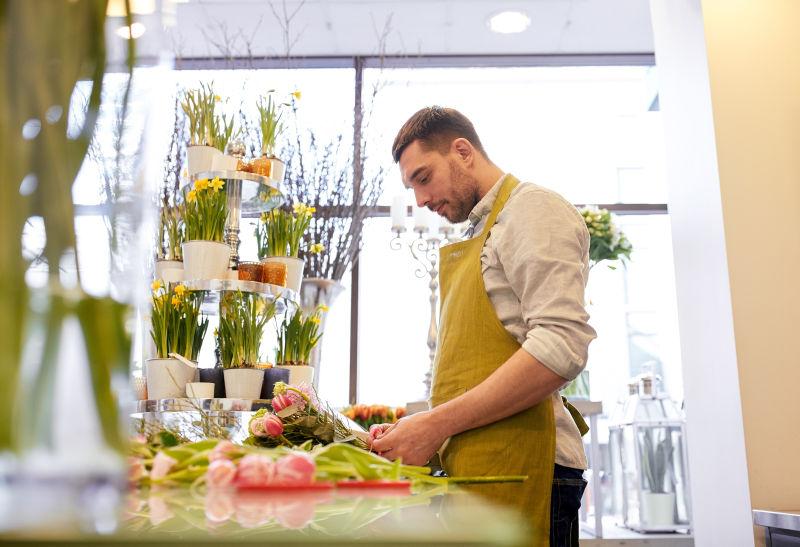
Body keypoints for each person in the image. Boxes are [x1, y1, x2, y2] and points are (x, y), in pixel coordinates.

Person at [369, 106, 597, 547]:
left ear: (462, 151)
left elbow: (561, 345)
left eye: (423, 177)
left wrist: (435, 425)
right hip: (484, 469)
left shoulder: (533, 211)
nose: (419, 200)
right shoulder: (481, 230)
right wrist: (418, 427)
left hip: (530, 469)